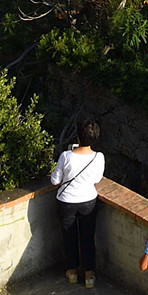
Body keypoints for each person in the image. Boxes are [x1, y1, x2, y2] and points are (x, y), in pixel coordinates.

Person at [50, 118, 105, 286]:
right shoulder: (99, 157)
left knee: (69, 237)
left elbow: (54, 180)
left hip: (66, 201)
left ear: (78, 137)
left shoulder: (66, 156)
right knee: (88, 237)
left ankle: (72, 272)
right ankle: (89, 275)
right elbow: (97, 179)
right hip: (88, 201)